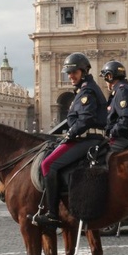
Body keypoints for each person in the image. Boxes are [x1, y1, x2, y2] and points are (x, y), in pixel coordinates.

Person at [35, 52, 107, 228]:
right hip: (86, 137)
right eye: (68, 73)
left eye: (74, 72)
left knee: (47, 165)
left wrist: (69, 135)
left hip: (86, 139)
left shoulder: (87, 91)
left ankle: (52, 214)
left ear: (84, 71)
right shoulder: (85, 89)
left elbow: (85, 119)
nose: (70, 76)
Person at [100, 60, 128, 153]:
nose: (105, 82)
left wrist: (112, 133)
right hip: (122, 136)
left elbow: (126, 118)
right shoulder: (121, 90)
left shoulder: (122, 91)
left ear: (110, 76)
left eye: (105, 78)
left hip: (122, 138)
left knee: (101, 156)